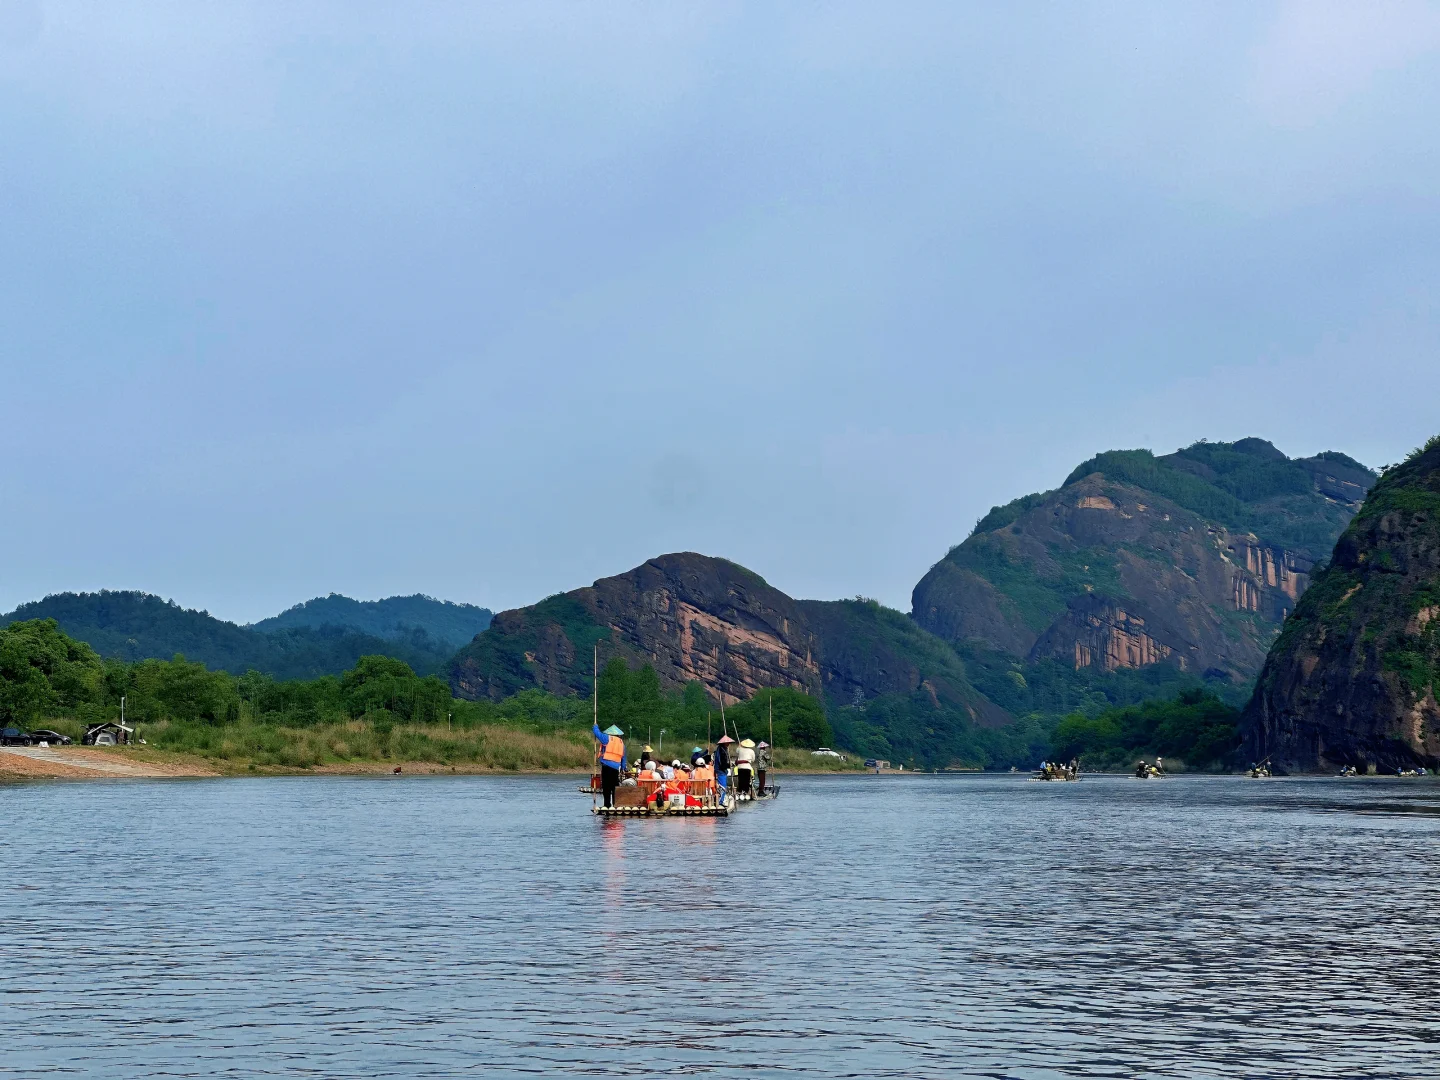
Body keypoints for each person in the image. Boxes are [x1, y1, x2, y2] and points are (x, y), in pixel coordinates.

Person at [592, 723, 627, 808]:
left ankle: (607, 804)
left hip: (607, 766)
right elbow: (623, 758)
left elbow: (597, 733)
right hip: (615, 768)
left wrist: (595, 726)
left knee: (606, 786)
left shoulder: (607, 738)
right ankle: (615, 804)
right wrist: (623, 768)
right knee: (614, 786)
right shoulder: (622, 744)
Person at [714, 735, 734, 799]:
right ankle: (720, 801)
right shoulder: (721, 751)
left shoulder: (722, 749)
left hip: (721, 770)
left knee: (723, 786)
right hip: (720, 770)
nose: (729, 744)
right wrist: (729, 765)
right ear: (724, 743)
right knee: (723, 787)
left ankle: (721, 800)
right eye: (727, 743)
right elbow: (722, 763)